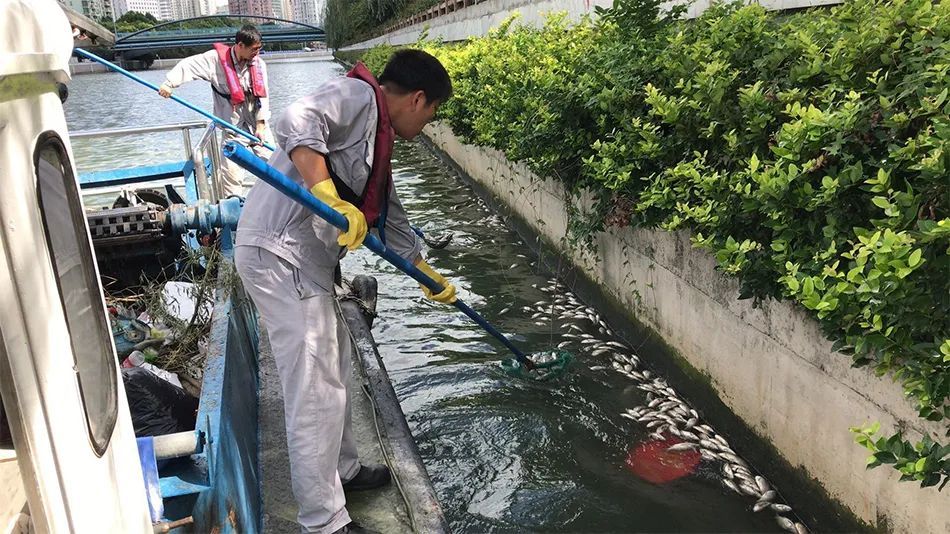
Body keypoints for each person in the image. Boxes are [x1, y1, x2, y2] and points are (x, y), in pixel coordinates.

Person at [234, 50, 455, 534]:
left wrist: (428, 276)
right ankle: (324, 521)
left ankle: (344, 471)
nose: (430, 121)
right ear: (418, 99)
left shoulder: (379, 140)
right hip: (280, 253)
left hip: (305, 264)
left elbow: (391, 223)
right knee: (313, 390)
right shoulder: (357, 96)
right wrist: (325, 193)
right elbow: (296, 118)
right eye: (433, 111)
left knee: (332, 369)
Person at [158, 24, 272, 198]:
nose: (257, 52)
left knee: (275, 163)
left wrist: (261, 124)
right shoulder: (215, 60)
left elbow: (263, 97)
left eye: (259, 48)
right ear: (240, 45)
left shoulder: (258, 64)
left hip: (257, 124)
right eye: (254, 49)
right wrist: (169, 84)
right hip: (231, 125)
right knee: (231, 174)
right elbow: (188, 66)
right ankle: (235, 211)